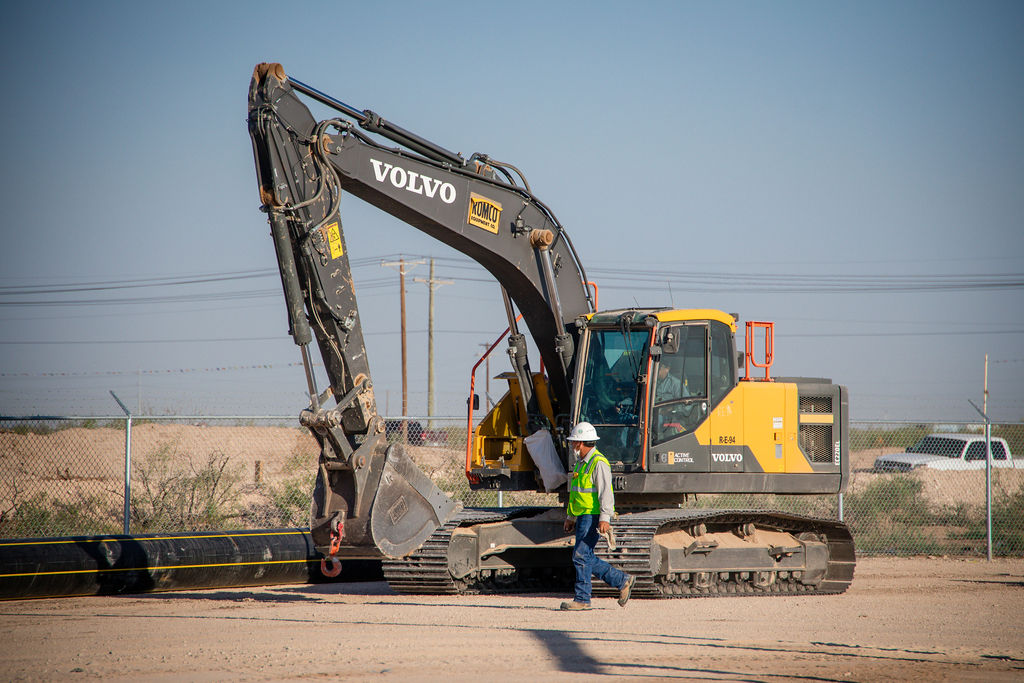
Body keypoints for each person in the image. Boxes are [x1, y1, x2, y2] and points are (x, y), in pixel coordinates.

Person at [560, 422, 636, 610]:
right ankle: (622, 580)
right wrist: (571, 516)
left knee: (581, 555)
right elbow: (577, 493)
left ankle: (583, 599)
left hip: (592, 516)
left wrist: (605, 518)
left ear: (581, 443)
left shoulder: (598, 463)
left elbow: (606, 493)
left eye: (574, 443)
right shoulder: (581, 463)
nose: (572, 446)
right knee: (584, 556)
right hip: (583, 515)